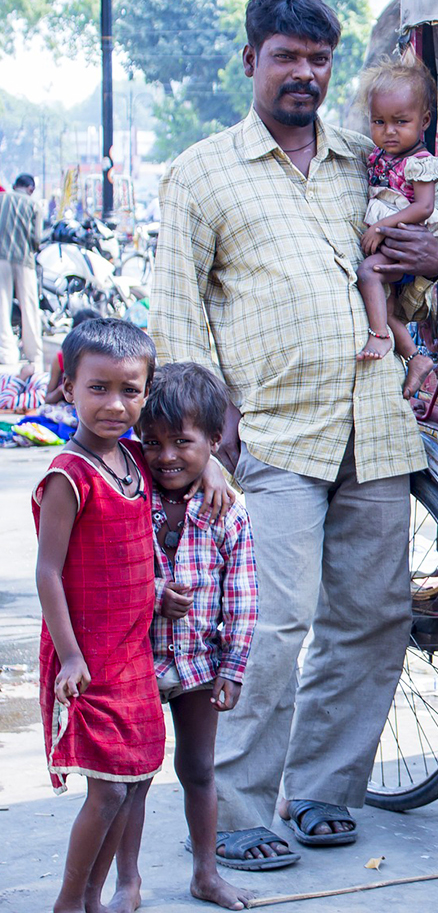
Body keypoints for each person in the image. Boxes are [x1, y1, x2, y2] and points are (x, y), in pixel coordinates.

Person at [150, 0, 438, 869]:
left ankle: (321, 790)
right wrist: (205, 438)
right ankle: (238, 809)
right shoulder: (203, 172)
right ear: (251, 62)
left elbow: (409, 274)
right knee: (266, 627)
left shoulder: (368, 159)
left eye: (319, 61)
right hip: (270, 433)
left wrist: (430, 257)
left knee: (372, 616)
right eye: (286, 57)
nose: (303, 75)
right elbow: (175, 316)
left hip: (377, 425)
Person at [113, 363, 258, 911]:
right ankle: (129, 881)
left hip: (200, 663)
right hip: (136, 660)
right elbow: (107, 567)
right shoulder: (132, 497)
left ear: (214, 441)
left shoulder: (227, 512)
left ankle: (206, 873)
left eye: (183, 442)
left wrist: (233, 668)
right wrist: (153, 593)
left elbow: (244, 597)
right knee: (133, 777)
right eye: (152, 443)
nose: (166, 456)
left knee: (199, 769)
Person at [32, 319, 162, 913]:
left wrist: (211, 467)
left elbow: (193, 457)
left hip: (133, 654)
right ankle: (68, 902)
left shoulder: (136, 459)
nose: (115, 404)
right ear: (67, 386)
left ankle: (94, 898)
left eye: (130, 390)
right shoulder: (69, 475)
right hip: (86, 657)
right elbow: (48, 572)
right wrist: (71, 655)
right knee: (107, 789)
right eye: (98, 388)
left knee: (134, 780)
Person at [355, 59, 438, 398]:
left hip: (402, 241)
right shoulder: (379, 157)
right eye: (379, 122)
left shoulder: (420, 163)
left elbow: (424, 207)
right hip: (391, 239)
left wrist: (382, 226)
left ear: (424, 121)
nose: (389, 131)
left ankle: (380, 336)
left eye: (401, 122)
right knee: (384, 303)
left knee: (368, 274)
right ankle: (414, 359)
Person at [0, 173, 44, 374]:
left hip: (1, 258)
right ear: (30, 189)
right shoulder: (34, 205)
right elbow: (37, 239)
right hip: (24, 260)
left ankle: (7, 353)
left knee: (2, 306)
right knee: (29, 307)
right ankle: (34, 353)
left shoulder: (2, 199)